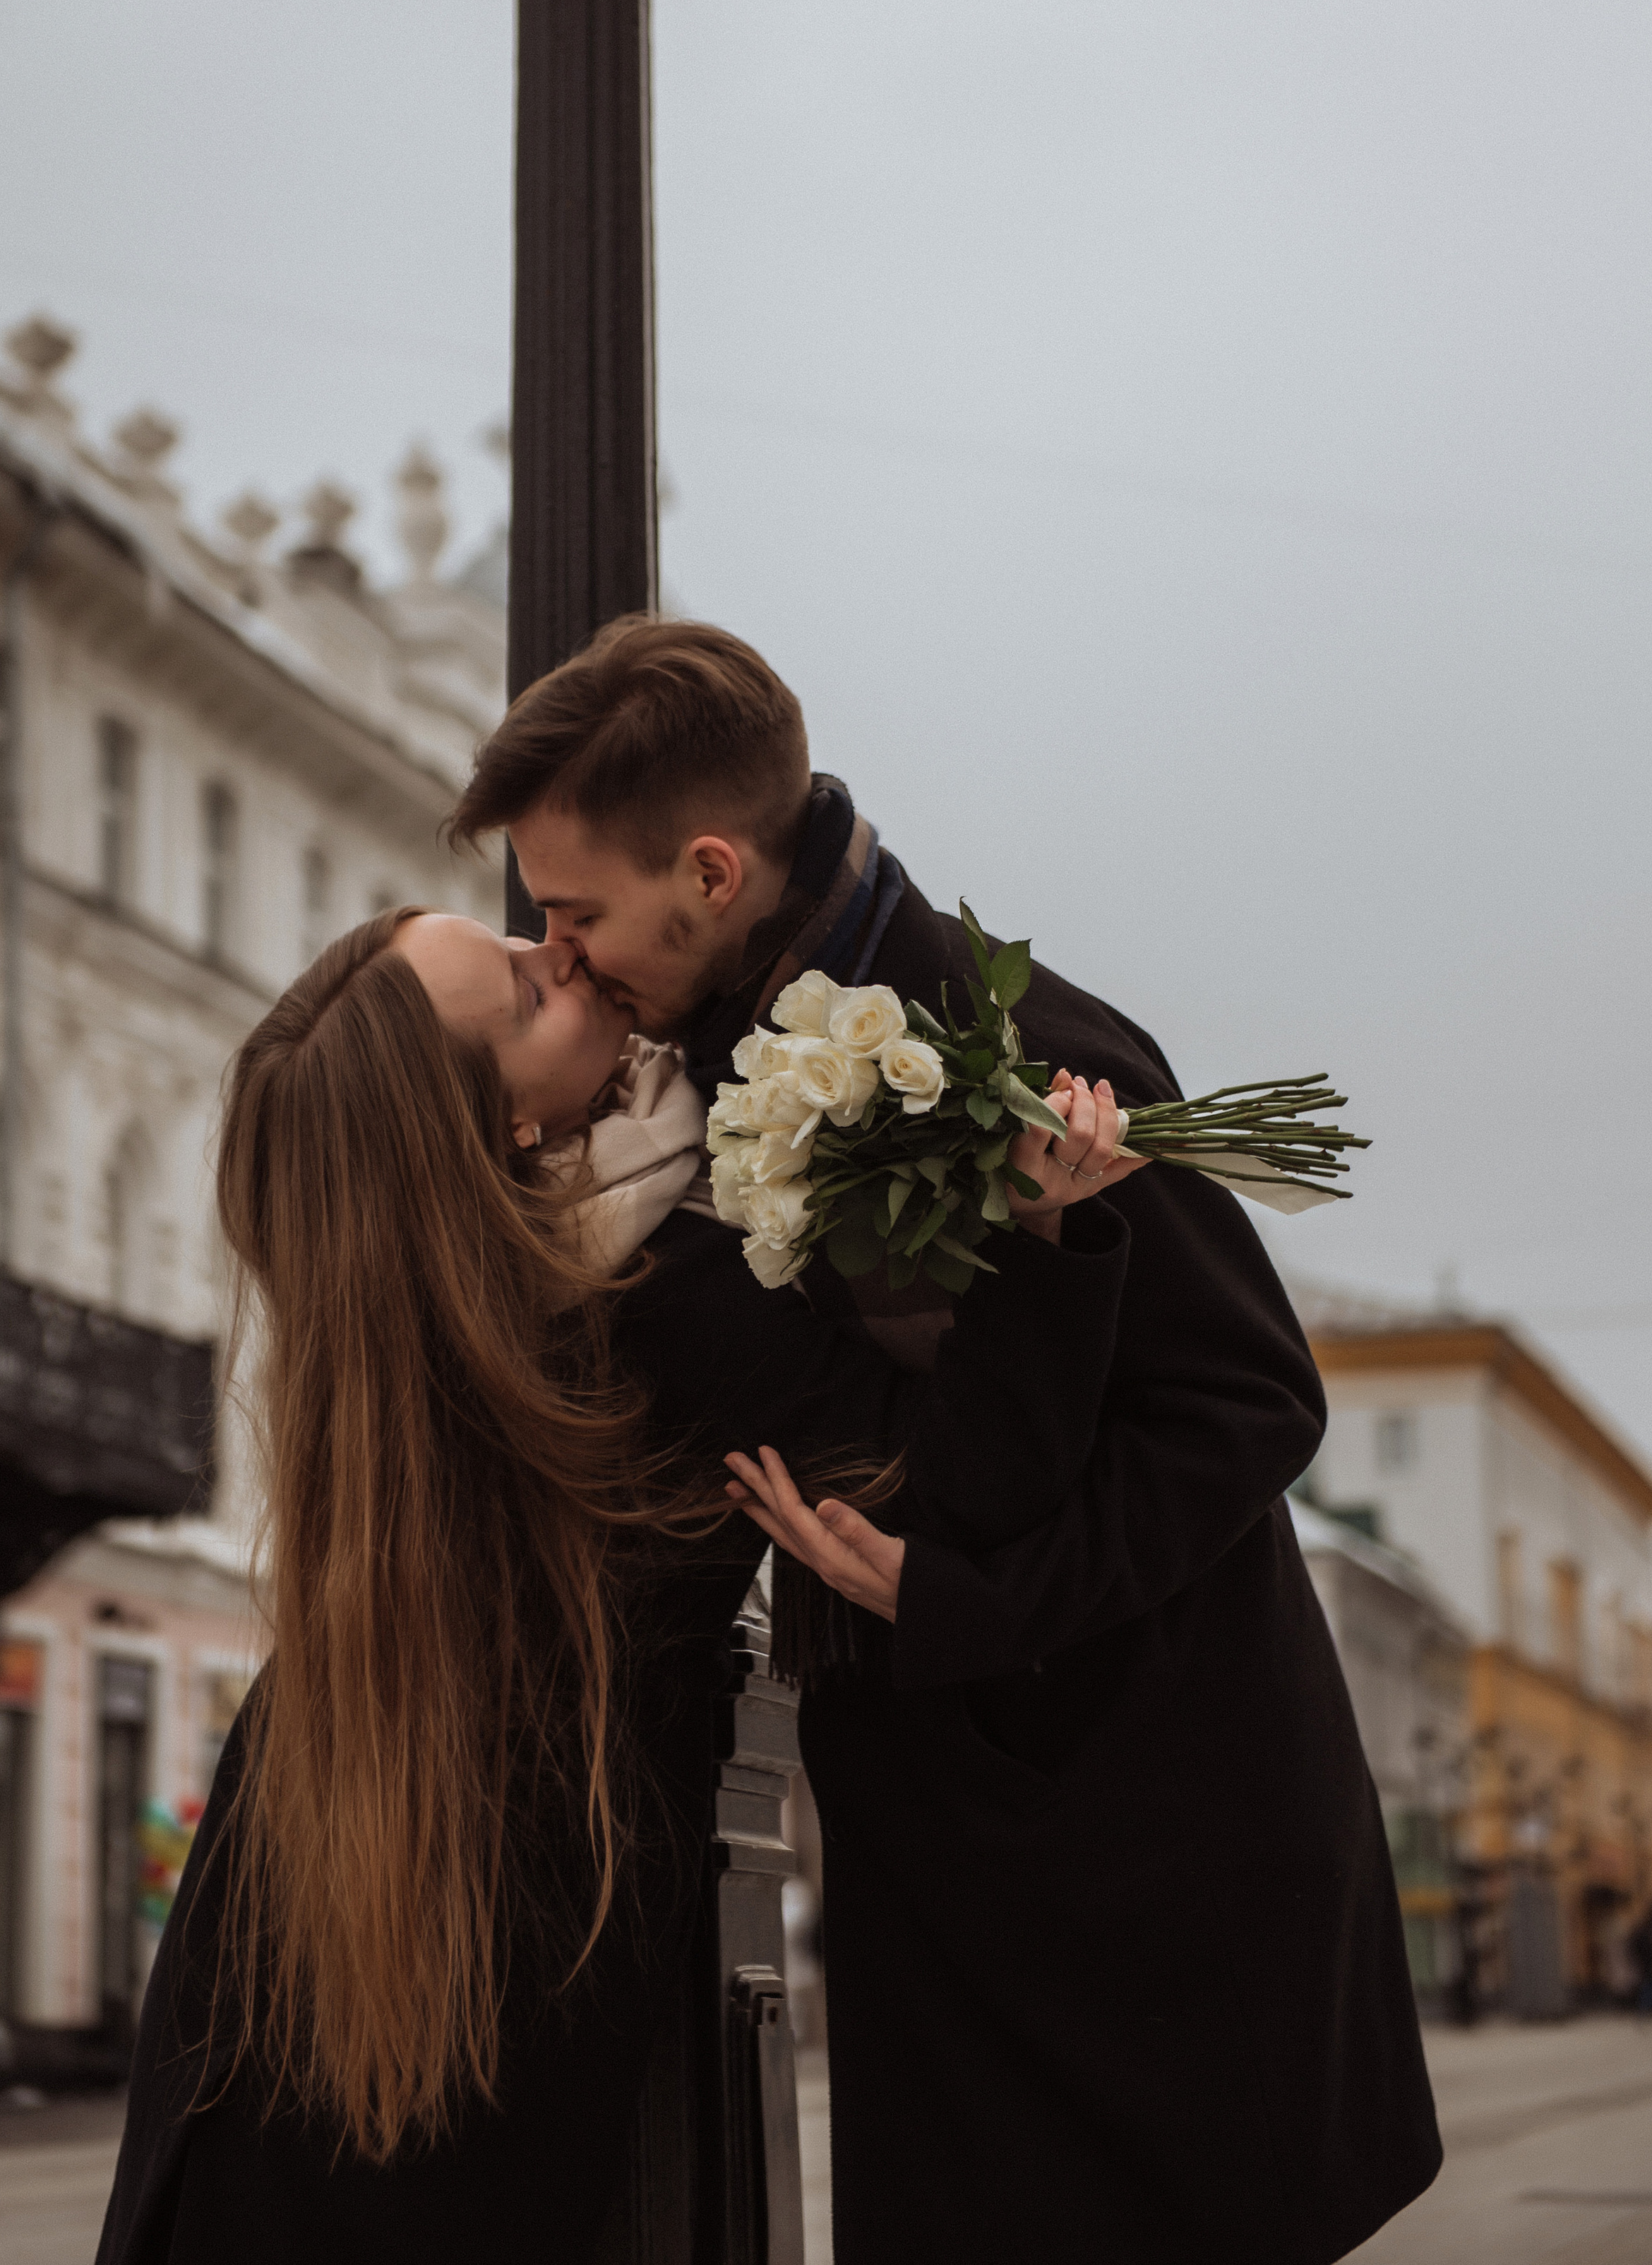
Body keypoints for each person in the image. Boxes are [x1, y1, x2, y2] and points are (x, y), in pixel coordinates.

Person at [450, 616, 1444, 2265]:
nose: (562, 954)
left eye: (574, 913)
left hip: (1150, 1831)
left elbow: (1252, 1404)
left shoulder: (1030, 1061)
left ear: (708, 871)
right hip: (956, 1840)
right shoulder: (698, 1048)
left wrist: (983, 1599)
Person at [97, 907, 1141, 2265]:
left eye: (528, 941)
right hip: (465, 1990)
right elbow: (969, 1487)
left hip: (334, 1918)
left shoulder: (431, 1321)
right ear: (510, 1135)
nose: (565, 954)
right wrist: (1045, 1242)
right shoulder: (671, 1292)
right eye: (530, 995)